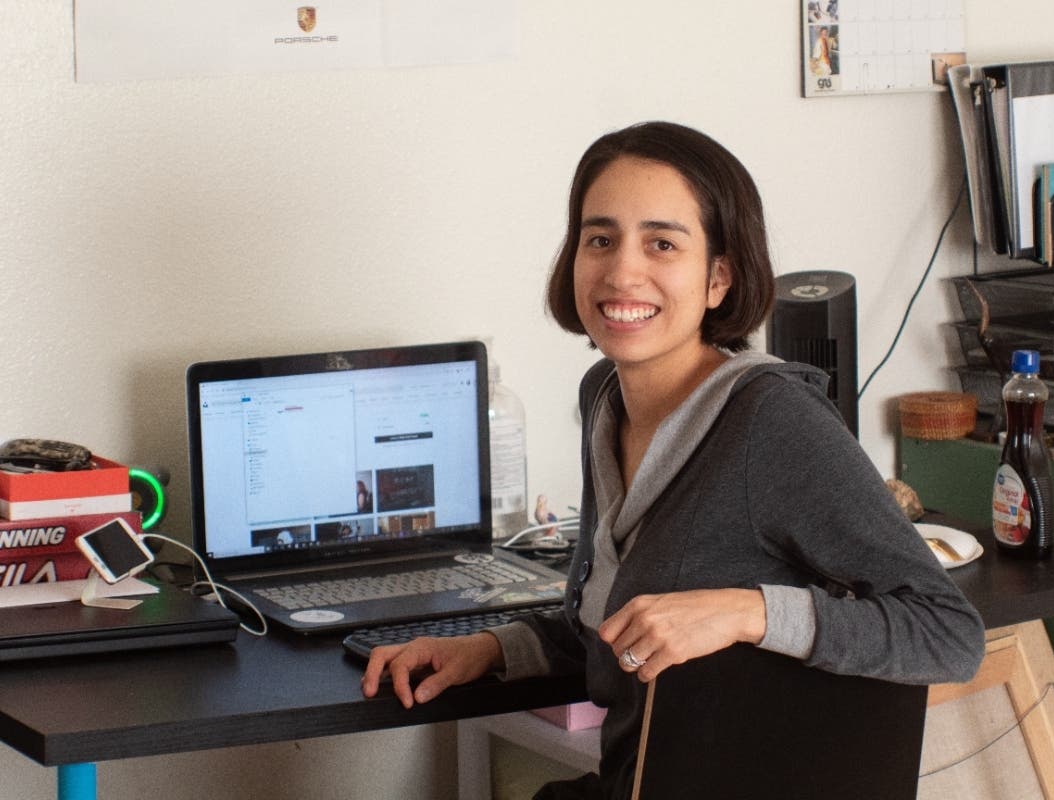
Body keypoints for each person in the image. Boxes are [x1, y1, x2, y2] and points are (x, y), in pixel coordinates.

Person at [361, 121, 985, 797]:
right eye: (599, 239)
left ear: (718, 277)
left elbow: (947, 633)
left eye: (661, 243)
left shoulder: (770, 421)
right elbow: (618, 624)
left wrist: (745, 612)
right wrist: (487, 650)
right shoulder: (604, 396)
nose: (622, 270)